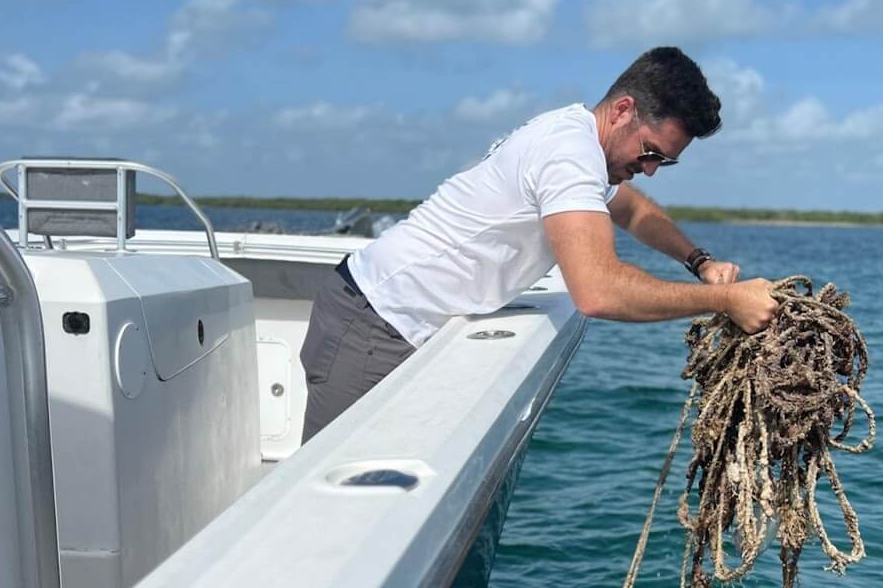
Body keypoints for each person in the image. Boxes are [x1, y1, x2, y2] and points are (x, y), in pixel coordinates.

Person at [300, 46, 779, 443]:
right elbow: (597, 291)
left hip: (397, 322)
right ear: (623, 111)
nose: (651, 168)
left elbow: (633, 210)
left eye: (665, 163)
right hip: (376, 323)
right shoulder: (568, 153)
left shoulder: (582, 144)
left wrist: (700, 262)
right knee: (328, 520)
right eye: (650, 152)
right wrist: (724, 300)